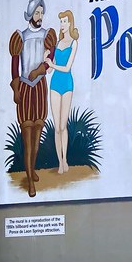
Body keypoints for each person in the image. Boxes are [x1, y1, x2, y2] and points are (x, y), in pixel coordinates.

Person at [9, 0, 57, 197]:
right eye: (37, 13)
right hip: (25, 88)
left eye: (41, 13)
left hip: (39, 87)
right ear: (30, 14)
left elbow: (50, 58)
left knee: (37, 137)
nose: (40, 16)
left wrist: (39, 70)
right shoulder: (20, 36)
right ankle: (30, 180)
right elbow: (14, 65)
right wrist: (16, 88)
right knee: (27, 137)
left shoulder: (47, 35)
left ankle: (32, 169)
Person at [46, 10, 79, 174]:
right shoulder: (57, 43)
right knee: (56, 127)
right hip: (55, 84)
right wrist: (47, 60)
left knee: (62, 125)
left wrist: (52, 65)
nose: (62, 24)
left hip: (66, 84)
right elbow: (49, 71)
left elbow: (67, 68)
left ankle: (65, 159)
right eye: (61, 21)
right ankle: (60, 161)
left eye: (65, 21)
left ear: (70, 23)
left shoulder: (74, 43)